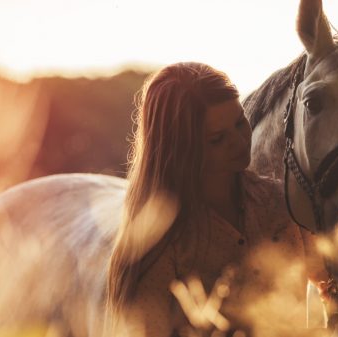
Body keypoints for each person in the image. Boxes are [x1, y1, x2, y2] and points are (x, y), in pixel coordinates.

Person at [104, 62, 326, 336]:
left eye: (239, 121)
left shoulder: (282, 202)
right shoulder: (158, 244)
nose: (239, 140)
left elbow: (336, 283)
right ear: (184, 149)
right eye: (218, 139)